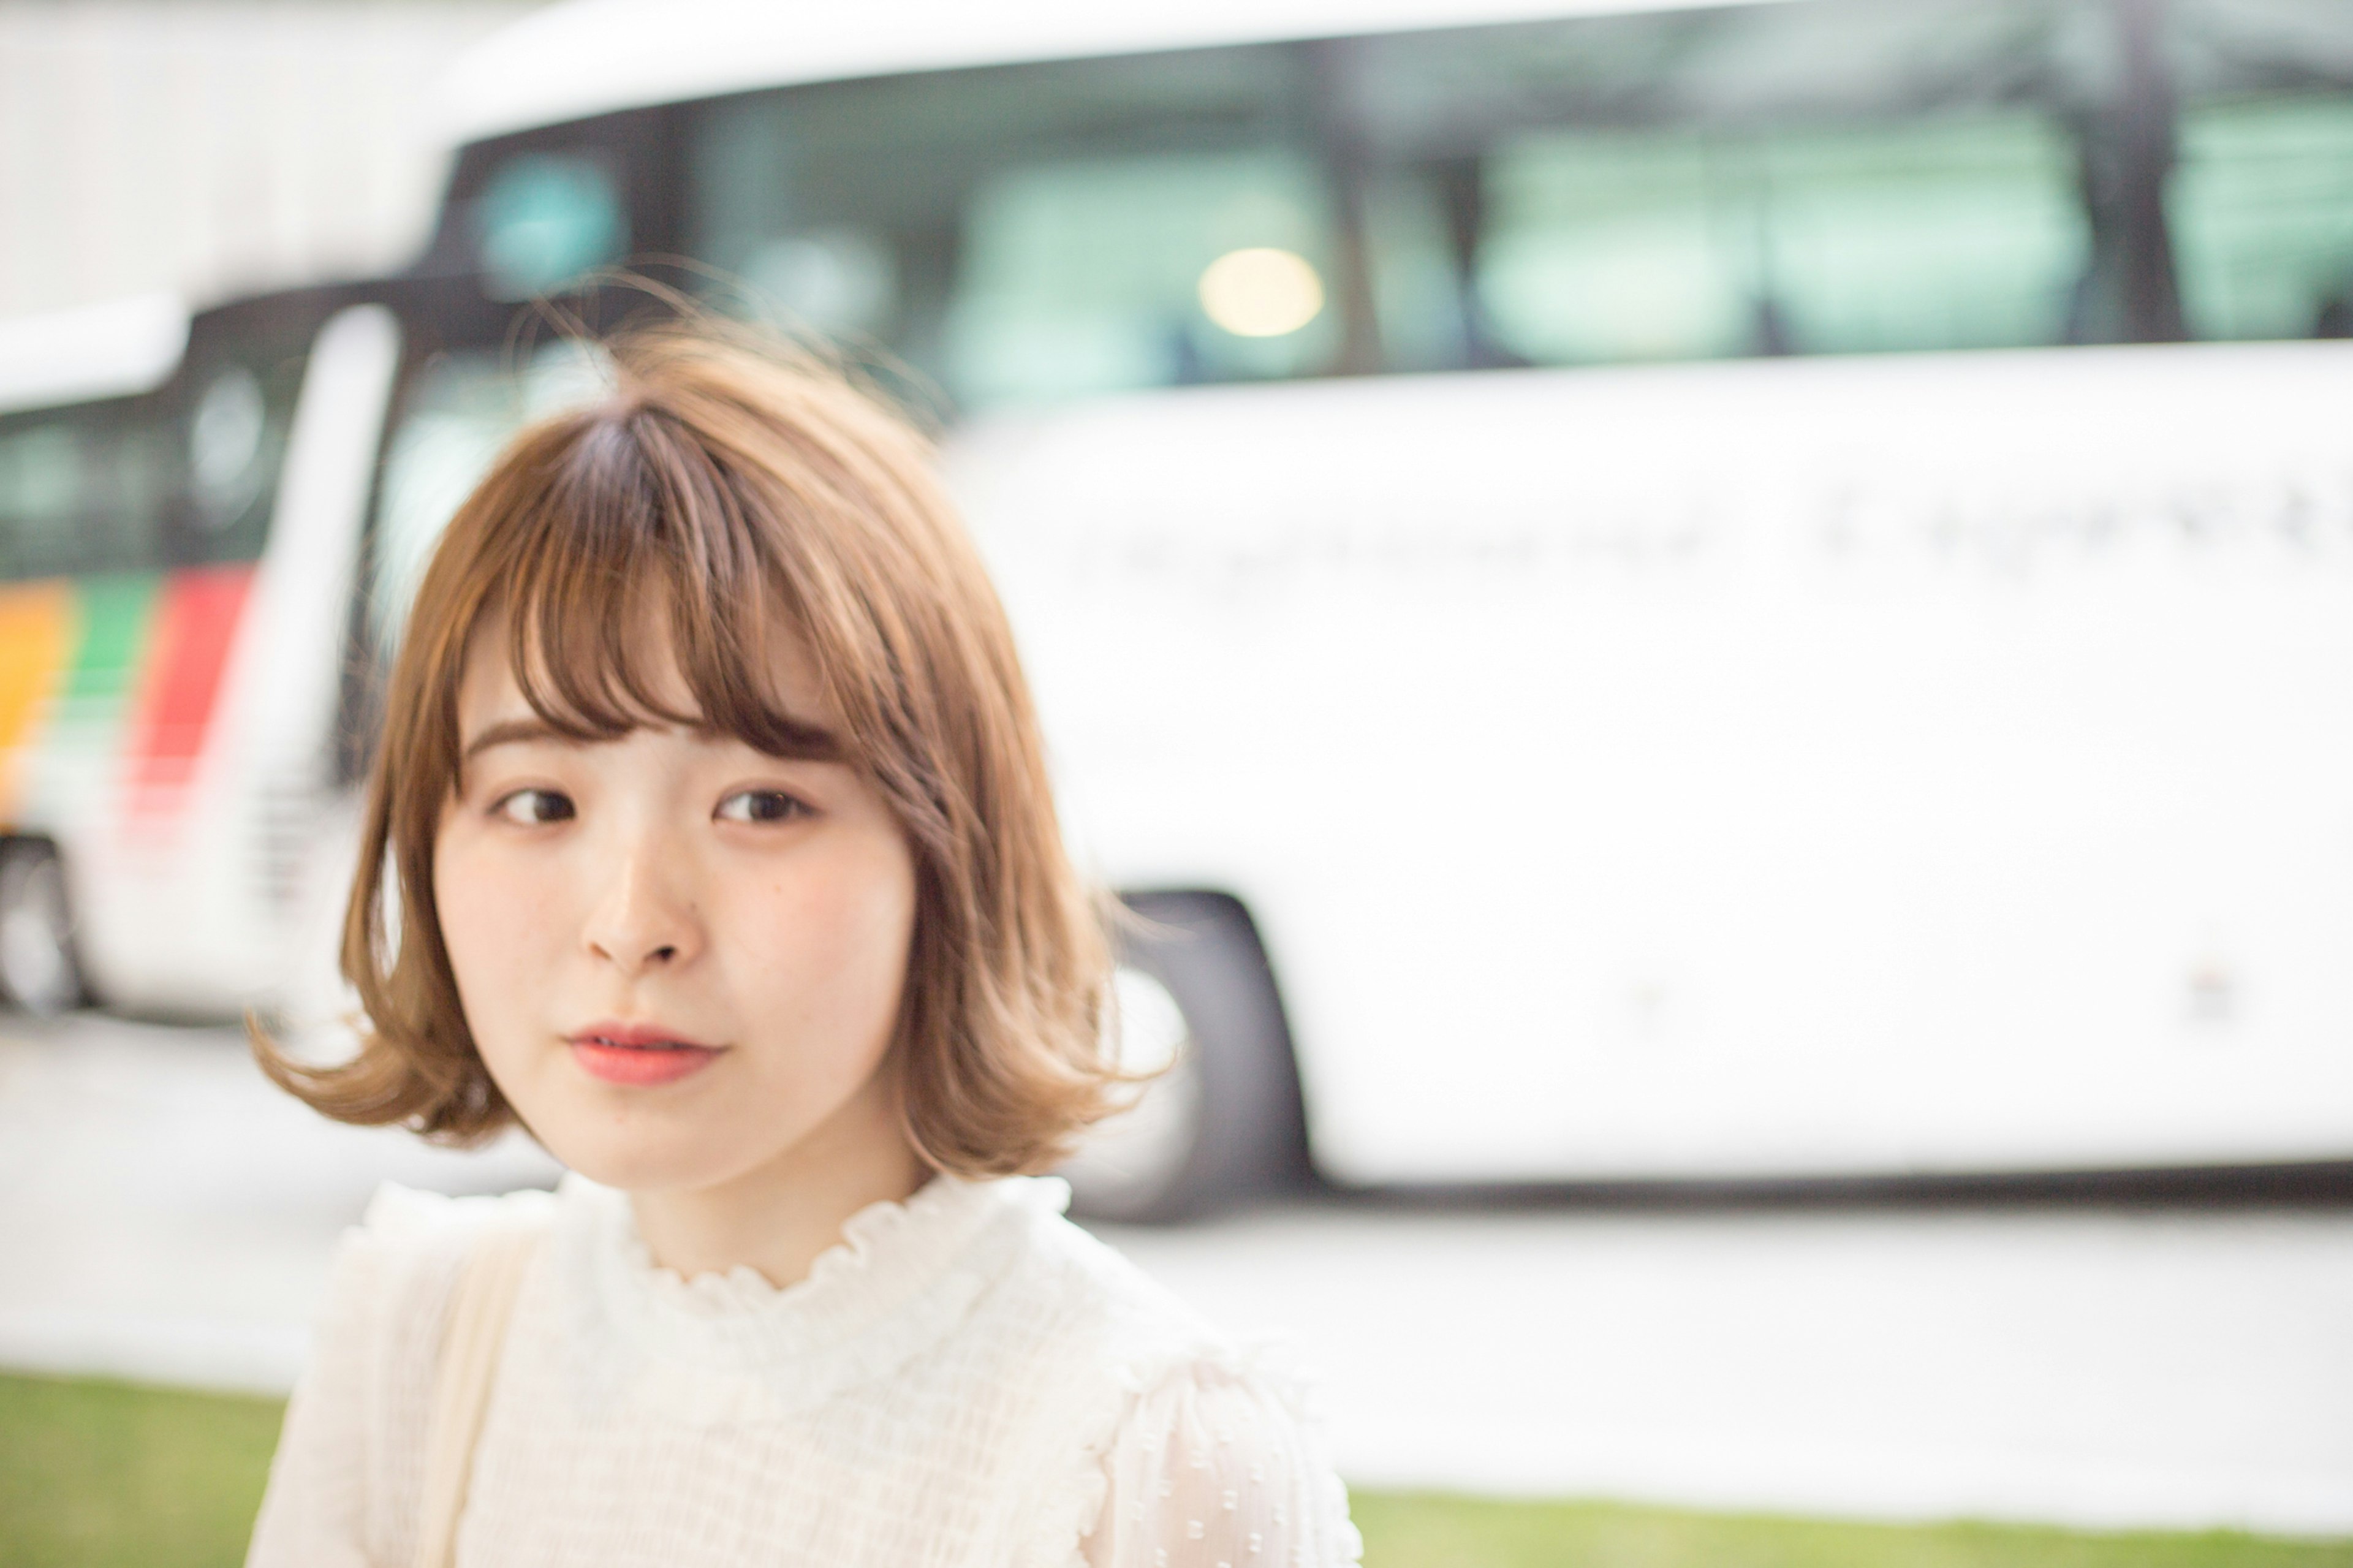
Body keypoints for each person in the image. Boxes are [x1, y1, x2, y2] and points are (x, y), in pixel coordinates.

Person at [244, 322, 1361, 1568]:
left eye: (761, 805)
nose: (630, 924)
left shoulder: (1140, 1447)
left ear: (950, 848)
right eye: (539, 801)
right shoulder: (423, 1332)